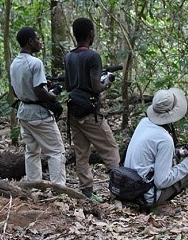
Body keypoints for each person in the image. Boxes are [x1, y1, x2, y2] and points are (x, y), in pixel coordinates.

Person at [64, 17, 120, 200]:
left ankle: (86, 191)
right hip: (90, 113)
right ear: (91, 34)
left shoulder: (69, 57)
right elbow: (96, 87)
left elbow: (67, 85)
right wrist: (107, 82)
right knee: (110, 149)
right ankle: (119, 187)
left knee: (81, 153)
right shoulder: (93, 56)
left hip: (73, 111)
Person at [123, 88, 188, 212]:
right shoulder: (165, 139)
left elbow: (150, 155)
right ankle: (156, 204)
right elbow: (161, 181)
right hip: (145, 196)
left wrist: (179, 153)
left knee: (182, 161)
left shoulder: (144, 123)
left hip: (129, 187)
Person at [10, 27, 67, 185]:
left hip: (23, 112)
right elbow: (39, 92)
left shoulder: (14, 63)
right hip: (39, 114)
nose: (40, 42)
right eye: (37, 39)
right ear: (30, 41)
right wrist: (54, 93)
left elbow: (16, 90)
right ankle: (59, 189)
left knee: (32, 151)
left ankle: (33, 185)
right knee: (56, 151)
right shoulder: (35, 63)